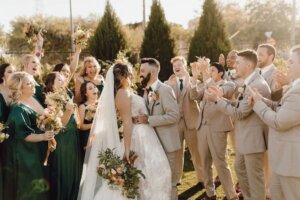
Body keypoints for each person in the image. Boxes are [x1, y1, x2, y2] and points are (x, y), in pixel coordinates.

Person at [78, 62, 172, 200]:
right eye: (129, 72)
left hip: (146, 135)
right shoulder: (122, 94)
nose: (132, 75)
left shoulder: (127, 91)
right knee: (149, 175)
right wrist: (127, 150)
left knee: (157, 173)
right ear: (122, 76)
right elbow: (127, 122)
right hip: (138, 137)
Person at [205, 50, 271, 200]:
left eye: (238, 62)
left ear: (248, 65)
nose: (235, 65)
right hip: (245, 137)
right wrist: (223, 99)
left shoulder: (257, 85)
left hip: (253, 139)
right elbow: (239, 105)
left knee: (255, 177)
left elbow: (240, 113)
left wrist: (217, 100)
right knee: (239, 168)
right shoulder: (248, 83)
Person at [249, 45, 300, 200]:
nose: (287, 65)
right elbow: (281, 107)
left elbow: (279, 122)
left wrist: (258, 104)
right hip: (283, 161)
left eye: (291, 62)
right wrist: (262, 100)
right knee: (276, 193)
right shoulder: (295, 85)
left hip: (292, 163)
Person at [2, 72, 54, 200]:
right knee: (29, 186)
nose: (33, 85)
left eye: (32, 82)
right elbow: (24, 134)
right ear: (20, 88)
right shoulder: (18, 109)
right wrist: (43, 136)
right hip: (25, 154)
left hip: (32, 151)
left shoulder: (26, 103)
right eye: (28, 83)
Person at [190, 62, 238, 200]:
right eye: (209, 70)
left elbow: (217, 92)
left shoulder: (229, 85)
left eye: (212, 70)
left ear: (220, 73)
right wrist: (194, 78)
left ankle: (232, 195)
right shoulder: (207, 83)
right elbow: (194, 96)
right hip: (202, 128)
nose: (209, 72)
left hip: (217, 129)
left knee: (221, 163)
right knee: (205, 163)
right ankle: (210, 194)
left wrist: (206, 78)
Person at [135, 58, 181, 200]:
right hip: (153, 146)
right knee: (157, 182)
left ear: (153, 71)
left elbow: (174, 116)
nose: (140, 74)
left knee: (170, 183)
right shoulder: (144, 91)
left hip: (168, 145)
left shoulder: (165, 90)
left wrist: (149, 120)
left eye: (143, 71)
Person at [165, 56, 203, 187]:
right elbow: (166, 103)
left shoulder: (194, 81)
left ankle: (202, 178)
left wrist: (191, 81)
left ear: (185, 66)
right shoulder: (167, 83)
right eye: (174, 65)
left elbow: (195, 97)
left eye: (179, 64)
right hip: (176, 123)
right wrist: (168, 88)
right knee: (177, 153)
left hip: (191, 121)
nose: (176, 67)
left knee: (196, 152)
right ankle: (176, 179)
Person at [43, 72, 82, 200]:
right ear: (52, 84)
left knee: (74, 172)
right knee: (64, 172)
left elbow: (75, 121)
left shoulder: (67, 95)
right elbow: (60, 126)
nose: (63, 80)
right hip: (63, 140)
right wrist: (68, 110)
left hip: (73, 137)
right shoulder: (51, 99)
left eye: (63, 79)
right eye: (58, 80)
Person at [78, 81, 99, 159]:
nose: (94, 89)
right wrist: (94, 124)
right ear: (86, 93)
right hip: (88, 138)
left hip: (101, 136)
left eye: (94, 87)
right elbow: (80, 126)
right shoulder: (83, 106)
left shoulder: (102, 104)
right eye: (90, 88)